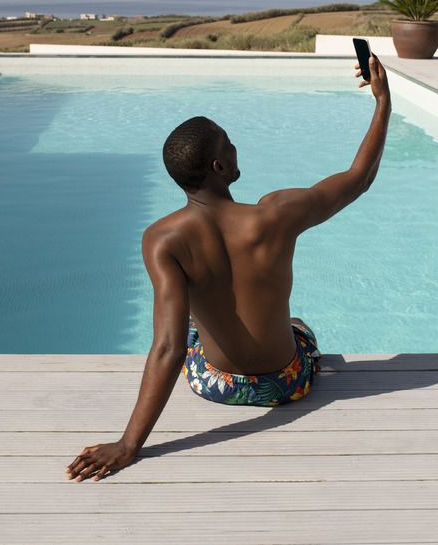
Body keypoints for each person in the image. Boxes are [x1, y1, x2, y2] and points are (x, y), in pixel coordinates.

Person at [66, 56, 392, 482]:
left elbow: (169, 349)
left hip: (215, 384)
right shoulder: (276, 215)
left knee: (186, 320)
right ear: (219, 167)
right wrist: (382, 103)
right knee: (298, 325)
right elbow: (359, 177)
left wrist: (128, 445)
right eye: (228, 144)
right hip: (289, 383)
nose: (235, 148)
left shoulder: (162, 239)